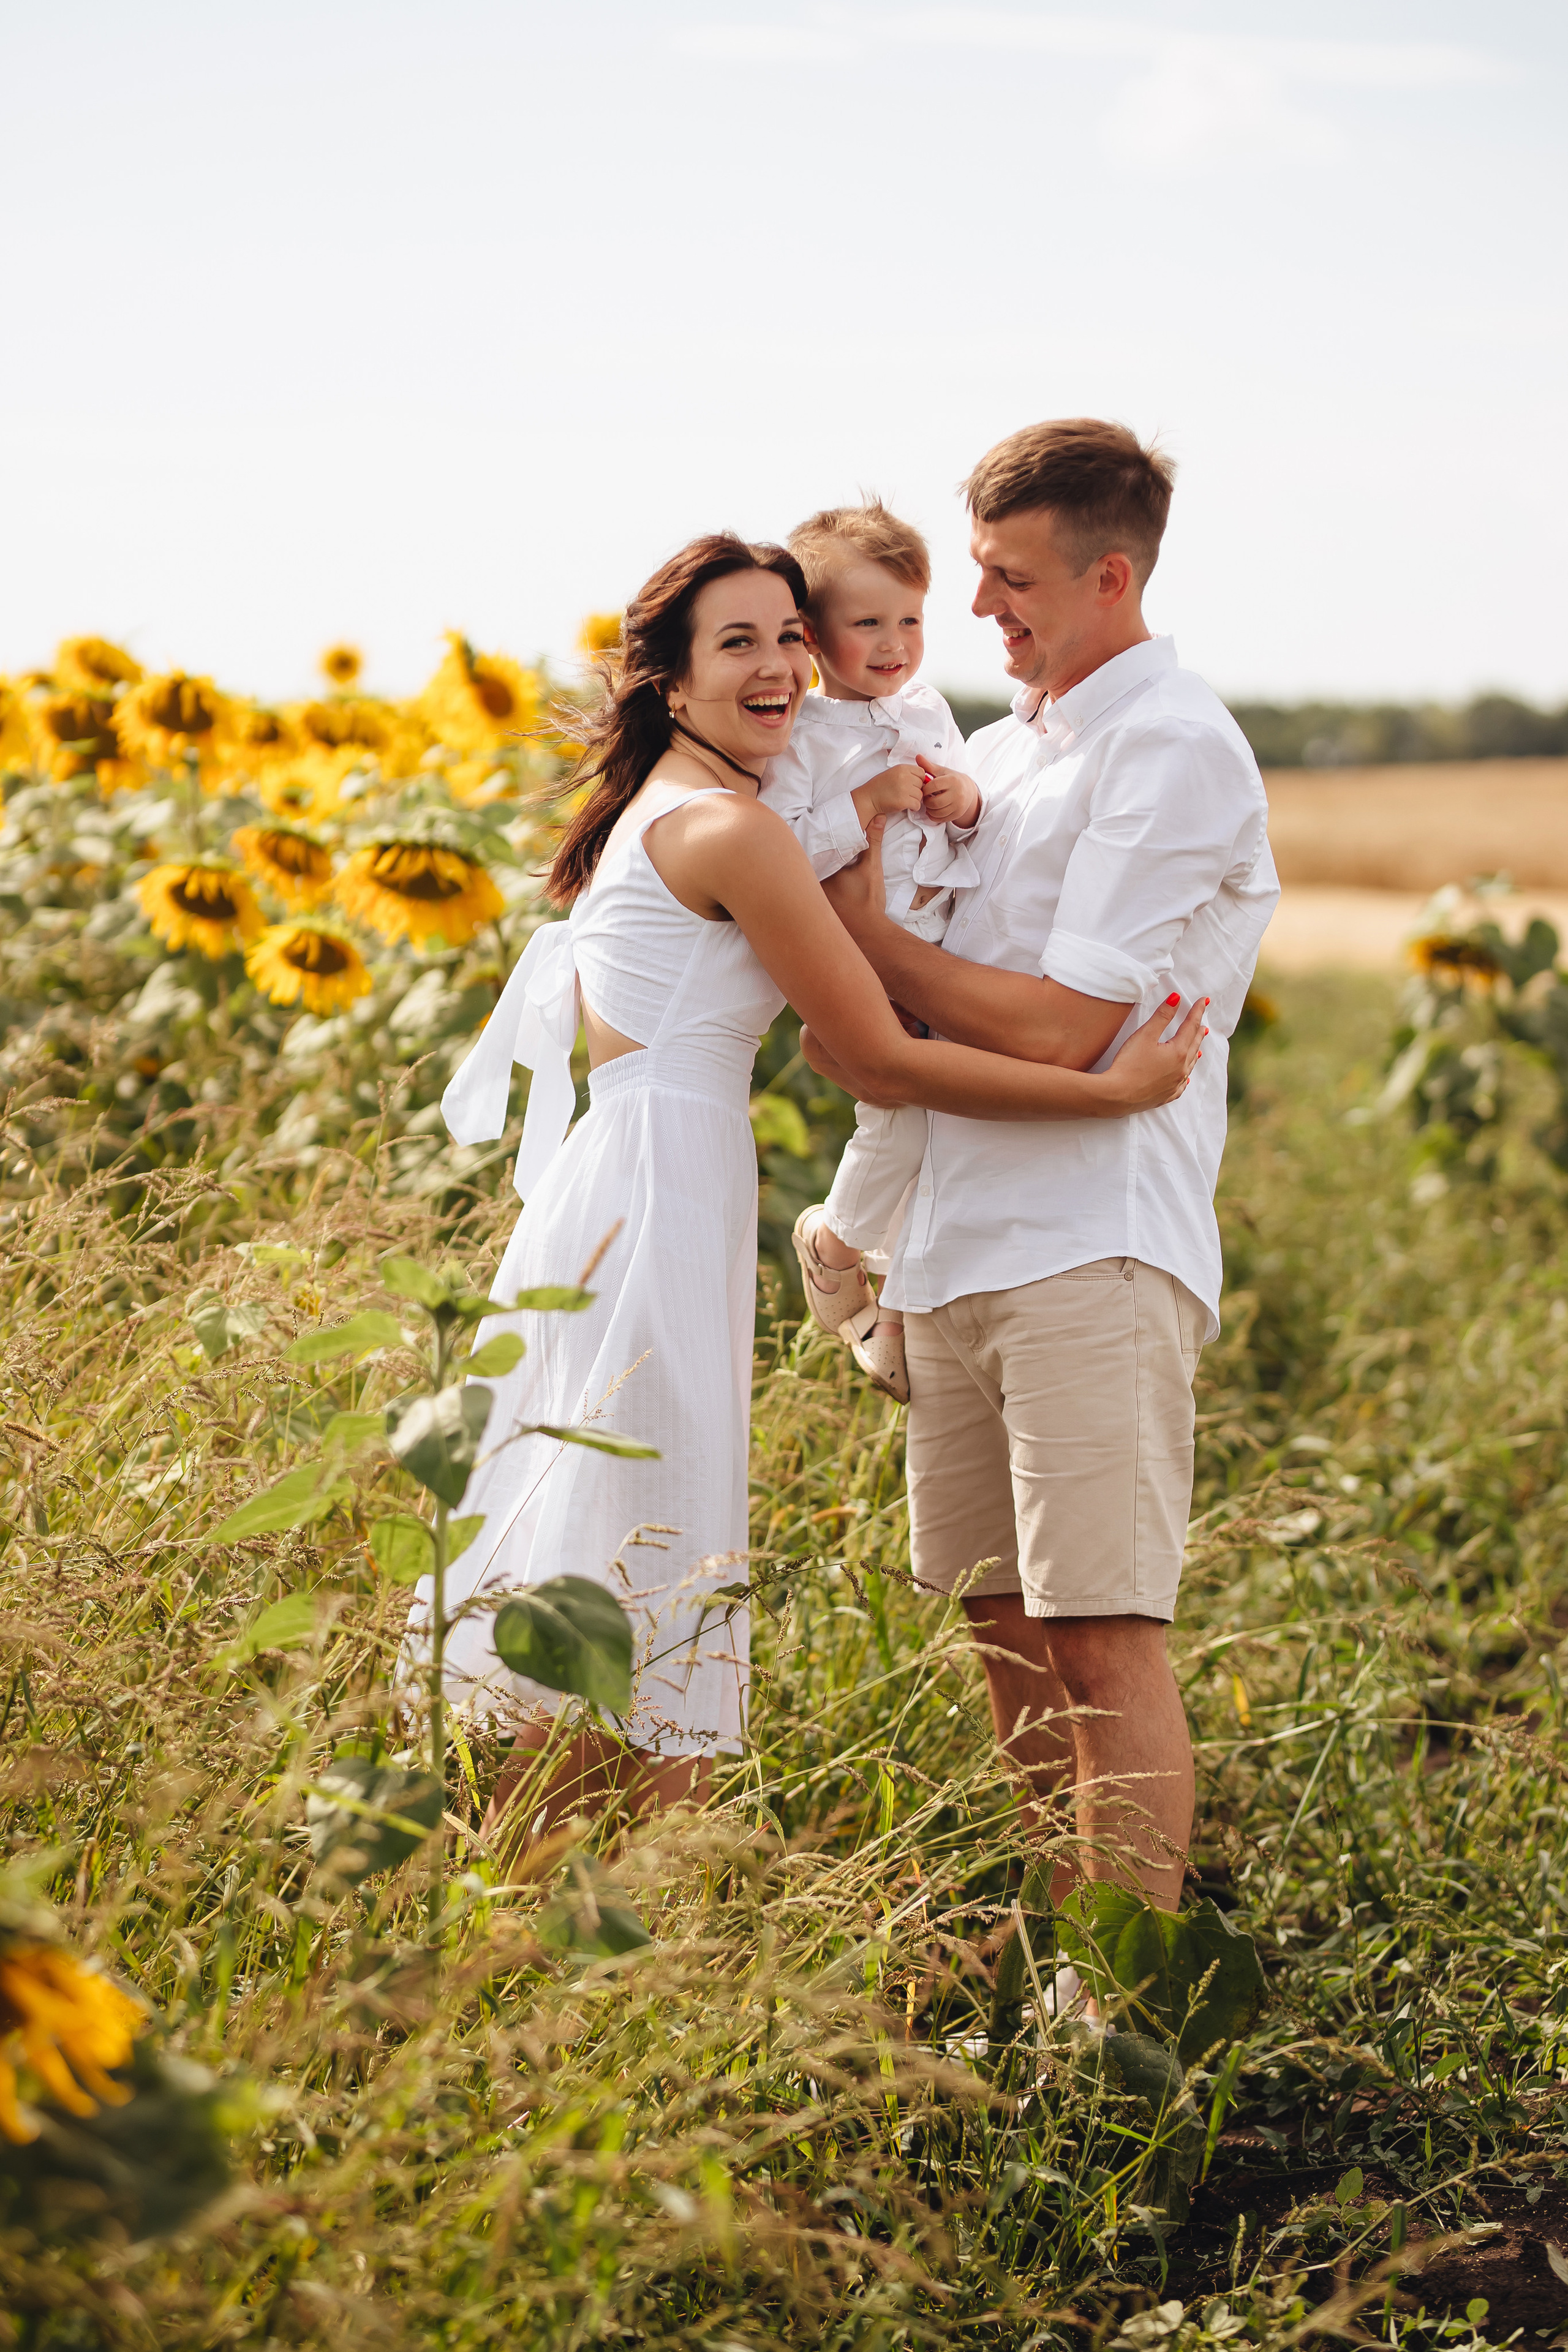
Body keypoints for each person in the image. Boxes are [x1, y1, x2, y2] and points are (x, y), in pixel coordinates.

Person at [432, 527, 1208, 1833]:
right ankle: (594, 1898)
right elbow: (875, 1060)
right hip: (658, 1195)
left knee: (605, 1534)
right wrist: (1102, 1092)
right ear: (667, 683)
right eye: (737, 642)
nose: (782, 664)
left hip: (631, 1179)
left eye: (792, 634)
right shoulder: (731, 831)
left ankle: (566, 1897)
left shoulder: (684, 810)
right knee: (647, 1536)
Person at [807, 420, 1280, 1914]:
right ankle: (1058, 1957)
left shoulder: (1175, 747)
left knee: (1098, 1635)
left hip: (1090, 1243)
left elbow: (1074, 1032)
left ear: (1109, 574)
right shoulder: (996, 752)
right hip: (954, 1241)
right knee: (1004, 1632)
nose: (977, 610)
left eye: (1008, 579)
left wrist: (864, 953)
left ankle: (1123, 2010)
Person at [758, 499, 983, 1404]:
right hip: (855, 955)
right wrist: (875, 802)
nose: (896, 644)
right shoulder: (805, 736)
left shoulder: (927, 708)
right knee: (901, 1113)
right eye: (868, 624)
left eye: (911, 620)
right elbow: (783, 853)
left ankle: (896, 1307)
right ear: (811, 637)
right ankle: (836, 1244)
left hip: (945, 944)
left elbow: (983, 827)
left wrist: (962, 800)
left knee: (950, 1134)